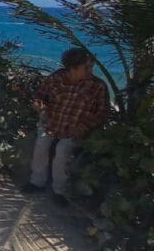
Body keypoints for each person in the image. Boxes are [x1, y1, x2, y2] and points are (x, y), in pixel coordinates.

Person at [22, 48, 109, 206]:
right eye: (86, 67)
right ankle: (37, 182)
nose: (90, 71)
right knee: (41, 144)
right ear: (73, 68)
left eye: (91, 67)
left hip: (75, 129)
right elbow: (40, 93)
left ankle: (60, 190)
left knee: (62, 152)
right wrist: (38, 103)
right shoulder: (57, 77)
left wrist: (85, 126)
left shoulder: (97, 86)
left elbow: (102, 112)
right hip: (52, 123)